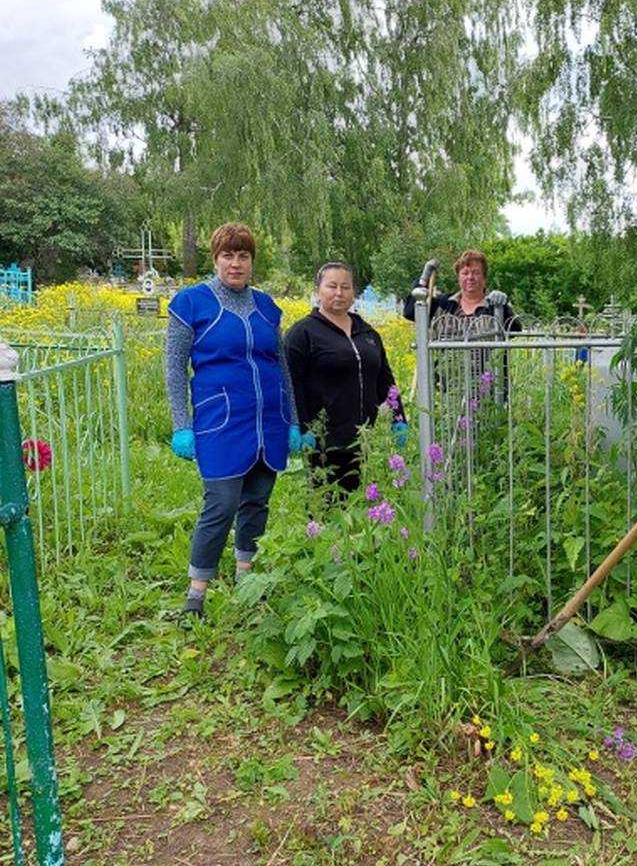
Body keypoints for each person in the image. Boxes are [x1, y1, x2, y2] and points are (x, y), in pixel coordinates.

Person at [165, 222, 307, 619]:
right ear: (216, 260)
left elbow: (282, 367)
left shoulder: (266, 307)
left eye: (243, 255)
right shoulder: (191, 304)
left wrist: (293, 420)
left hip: (268, 422)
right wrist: (181, 424)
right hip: (220, 422)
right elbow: (174, 369)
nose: (236, 263)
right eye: (228, 255)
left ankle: (247, 577)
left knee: (257, 501)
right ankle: (196, 593)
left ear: (252, 261)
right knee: (221, 505)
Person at [285, 262, 408, 498]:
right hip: (323, 443)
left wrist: (398, 418)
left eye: (346, 287)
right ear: (318, 290)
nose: (339, 293)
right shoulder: (302, 334)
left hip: (367, 440)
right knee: (328, 510)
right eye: (332, 286)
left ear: (354, 293)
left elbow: (386, 380)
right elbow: (292, 384)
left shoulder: (368, 333)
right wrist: (299, 426)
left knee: (366, 512)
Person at [402, 249, 522, 337]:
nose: (470, 277)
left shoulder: (494, 306)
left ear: (484, 278)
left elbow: (515, 330)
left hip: (487, 371)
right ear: (458, 278)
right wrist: (424, 279)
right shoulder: (444, 303)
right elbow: (410, 312)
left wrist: (504, 307)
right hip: (445, 370)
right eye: (465, 273)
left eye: (476, 272)